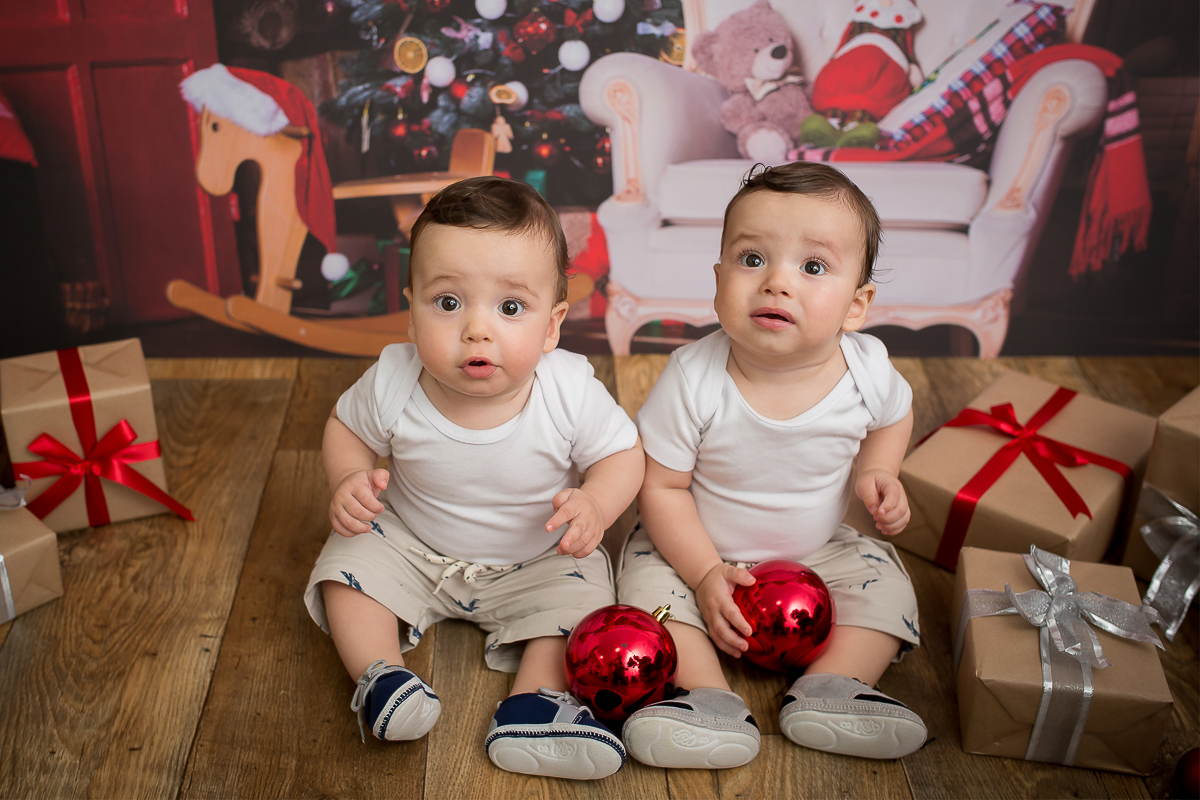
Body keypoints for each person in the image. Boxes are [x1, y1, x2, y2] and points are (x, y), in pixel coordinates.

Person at [304, 176, 644, 781]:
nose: (476, 330)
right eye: (448, 303)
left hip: (537, 554)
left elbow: (623, 454)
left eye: (510, 308)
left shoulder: (567, 390)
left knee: (585, 592)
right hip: (413, 541)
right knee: (346, 565)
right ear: (410, 312)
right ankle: (380, 677)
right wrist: (350, 476)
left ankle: (536, 702)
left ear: (551, 326)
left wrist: (596, 501)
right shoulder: (394, 379)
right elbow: (345, 427)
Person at [618, 162, 925, 769]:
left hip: (818, 549)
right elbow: (663, 488)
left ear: (857, 305)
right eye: (752, 259)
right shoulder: (694, 377)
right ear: (718, 279)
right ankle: (707, 699)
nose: (776, 283)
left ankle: (831, 688)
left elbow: (895, 416)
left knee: (887, 587)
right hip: (698, 549)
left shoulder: (866, 370)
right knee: (646, 585)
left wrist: (876, 471)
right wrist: (706, 574)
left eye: (813, 267)